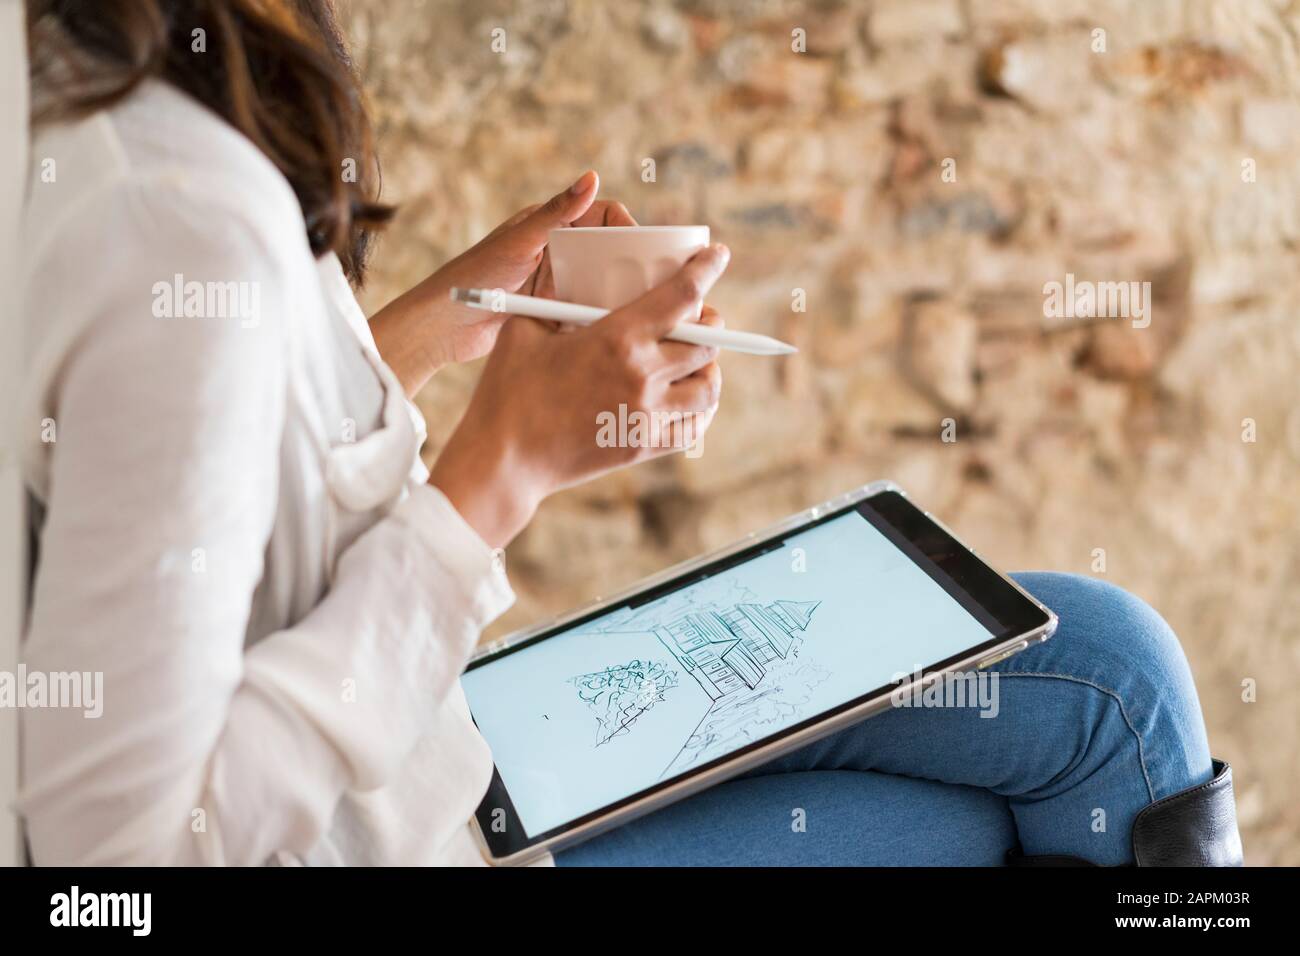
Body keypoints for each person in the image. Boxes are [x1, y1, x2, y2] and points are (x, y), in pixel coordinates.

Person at [12, 0, 1240, 867]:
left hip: (433, 743)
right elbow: (119, 871)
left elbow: (188, 466)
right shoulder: (172, 212)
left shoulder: (99, 101)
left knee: (1105, 659)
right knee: (1038, 776)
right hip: (400, 822)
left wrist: (447, 323)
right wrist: (501, 472)